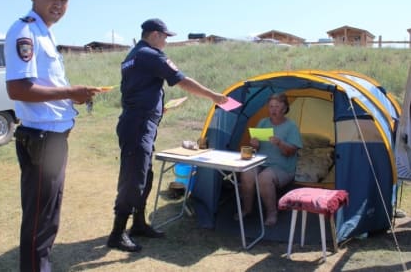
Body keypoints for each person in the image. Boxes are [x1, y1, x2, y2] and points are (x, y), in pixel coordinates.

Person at [4, 0, 101, 272]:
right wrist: (70, 91)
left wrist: (72, 95)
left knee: (47, 215)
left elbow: (46, 87)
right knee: (39, 219)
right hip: (41, 139)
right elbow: (19, 89)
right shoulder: (25, 31)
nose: (58, 4)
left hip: (52, 139)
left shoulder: (44, 33)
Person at [107, 18, 228, 252]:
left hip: (138, 121)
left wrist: (156, 106)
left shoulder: (132, 56)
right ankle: (117, 233)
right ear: (154, 35)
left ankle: (139, 224)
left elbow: (134, 91)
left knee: (145, 175)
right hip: (139, 124)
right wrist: (212, 95)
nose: (166, 41)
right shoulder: (150, 55)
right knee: (133, 178)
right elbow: (181, 80)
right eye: (164, 37)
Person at [239, 93, 302, 226]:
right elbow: (256, 148)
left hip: (283, 167)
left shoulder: (291, 126)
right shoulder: (263, 122)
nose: (273, 109)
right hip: (262, 162)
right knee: (246, 173)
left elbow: (291, 152)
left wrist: (280, 143)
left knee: (264, 178)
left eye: (277, 106)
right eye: (271, 106)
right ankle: (247, 209)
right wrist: (254, 144)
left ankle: (272, 213)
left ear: (284, 108)